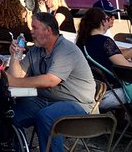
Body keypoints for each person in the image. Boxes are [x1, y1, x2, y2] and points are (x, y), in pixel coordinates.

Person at [6, 12, 96, 152]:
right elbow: (16, 76)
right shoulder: (37, 50)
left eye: (35, 28)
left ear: (48, 30)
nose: (31, 31)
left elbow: (51, 80)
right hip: (45, 100)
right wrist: (15, 56)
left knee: (46, 116)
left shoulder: (65, 49)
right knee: (9, 113)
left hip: (77, 104)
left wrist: (15, 82)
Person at [75, 7, 132, 110]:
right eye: (107, 18)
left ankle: (125, 122)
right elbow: (129, 71)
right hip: (108, 93)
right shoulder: (105, 41)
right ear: (102, 22)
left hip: (91, 92)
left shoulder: (81, 42)